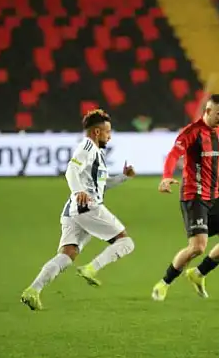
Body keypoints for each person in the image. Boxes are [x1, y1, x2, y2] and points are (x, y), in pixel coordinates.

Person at [20, 109, 136, 310]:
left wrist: (123, 177)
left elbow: (101, 184)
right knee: (126, 242)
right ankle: (91, 269)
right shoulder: (88, 146)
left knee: (67, 255)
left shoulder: (97, 153)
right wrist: (78, 191)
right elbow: (71, 170)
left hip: (73, 210)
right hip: (86, 206)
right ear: (97, 132)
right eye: (108, 132)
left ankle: (33, 290)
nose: (110, 136)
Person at [151, 94, 219, 301]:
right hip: (194, 197)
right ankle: (164, 283)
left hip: (215, 197)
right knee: (197, 247)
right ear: (208, 111)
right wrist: (166, 177)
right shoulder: (192, 132)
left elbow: (218, 166)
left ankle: (197, 274)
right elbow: (173, 155)